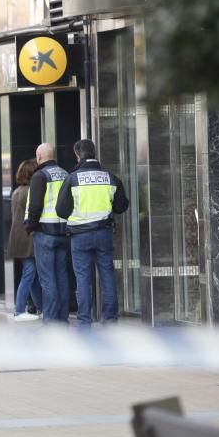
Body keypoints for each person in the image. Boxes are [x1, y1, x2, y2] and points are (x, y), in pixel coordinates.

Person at [56, 138, 129, 327]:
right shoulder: (110, 177)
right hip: (103, 233)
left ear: (77, 155)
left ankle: (84, 321)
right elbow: (122, 206)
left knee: (83, 279)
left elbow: (61, 210)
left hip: (80, 236)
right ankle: (110, 320)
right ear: (94, 152)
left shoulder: (72, 178)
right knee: (107, 275)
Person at [23, 143, 71, 323]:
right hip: (63, 233)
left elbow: (35, 206)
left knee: (47, 279)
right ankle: (62, 320)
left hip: (44, 233)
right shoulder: (66, 174)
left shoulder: (39, 176)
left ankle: (51, 323)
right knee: (61, 277)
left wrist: (30, 227)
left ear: (40, 157)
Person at [9, 159, 42, 321]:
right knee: (29, 274)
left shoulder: (17, 191)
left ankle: (41, 308)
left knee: (32, 275)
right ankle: (19, 310)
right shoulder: (30, 191)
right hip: (28, 237)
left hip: (18, 237)